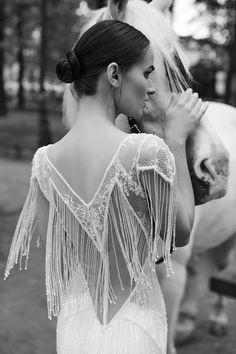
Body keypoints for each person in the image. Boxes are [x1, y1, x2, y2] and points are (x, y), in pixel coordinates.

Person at [5, 20, 208, 354]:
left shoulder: (43, 163)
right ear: (114, 74)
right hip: (134, 330)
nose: (149, 87)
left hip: (75, 330)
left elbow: (63, 261)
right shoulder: (145, 152)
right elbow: (179, 233)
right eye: (146, 73)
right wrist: (175, 140)